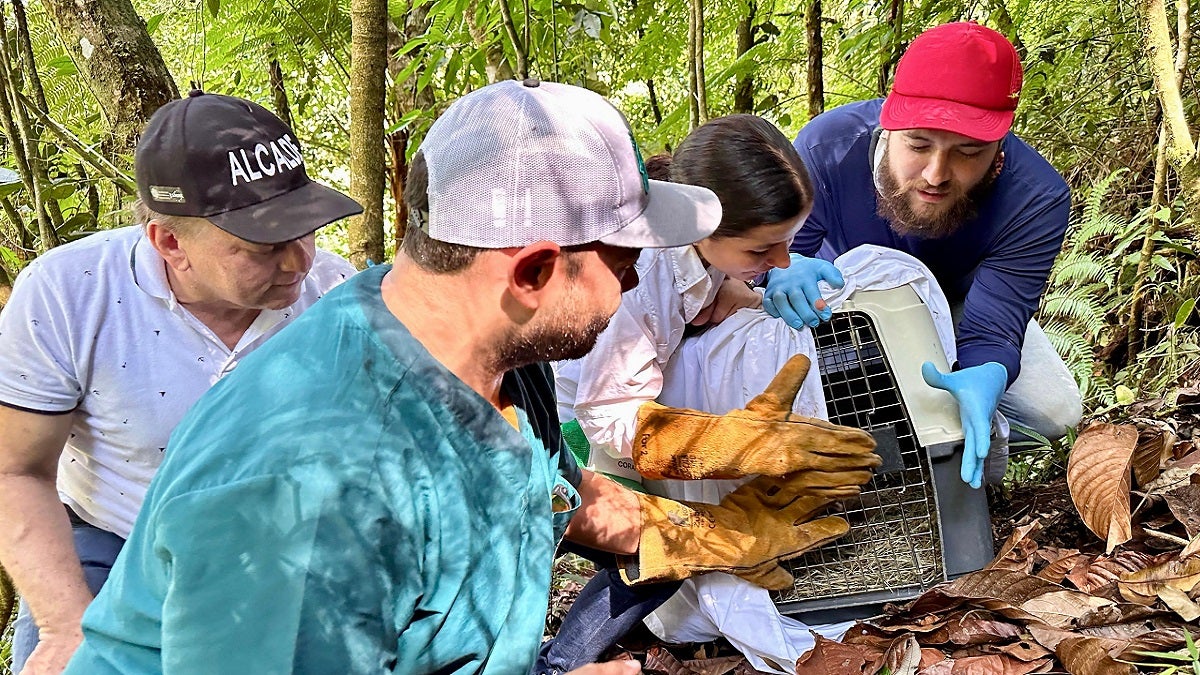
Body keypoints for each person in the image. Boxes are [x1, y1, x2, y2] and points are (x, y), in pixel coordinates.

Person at [62, 80, 866, 674]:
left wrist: (701, 535)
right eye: (625, 262)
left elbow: (551, 489)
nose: (634, 284)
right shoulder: (307, 487)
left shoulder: (489, 349)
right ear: (533, 271)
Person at [0, 91, 363, 674]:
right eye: (264, 246)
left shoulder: (335, 294)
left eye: (306, 230)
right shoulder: (67, 293)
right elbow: (14, 469)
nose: (298, 262)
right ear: (170, 242)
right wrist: (68, 625)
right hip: (113, 539)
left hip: (280, 549)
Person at [537, 114, 880, 674]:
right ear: (703, 230)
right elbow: (607, 417)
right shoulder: (638, 274)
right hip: (576, 424)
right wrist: (727, 444)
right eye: (762, 249)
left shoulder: (700, 253)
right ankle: (561, 663)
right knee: (650, 554)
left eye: (789, 242)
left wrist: (764, 287)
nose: (782, 259)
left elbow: (706, 300)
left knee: (673, 547)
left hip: (630, 407)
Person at [762, 21, 1083, 489]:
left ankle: (956, 445)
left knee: (1052, 412)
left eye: (967, 152)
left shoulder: (1035, 197)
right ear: (888, 126)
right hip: (837, 302)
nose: (936, 174)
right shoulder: (826, 149)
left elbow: (996, 320)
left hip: (957, 305)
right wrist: (778, 272)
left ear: (999, 150)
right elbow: (766, 263)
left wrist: (987, 370)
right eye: (918, 144)